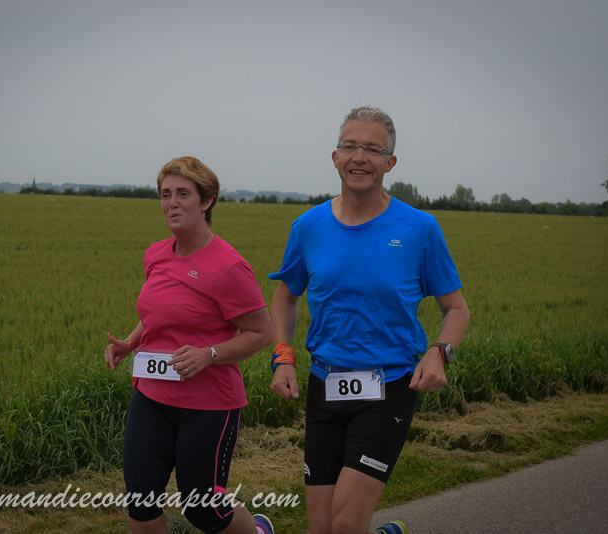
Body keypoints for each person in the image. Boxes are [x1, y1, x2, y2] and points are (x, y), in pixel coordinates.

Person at [268, 107, 470, 534]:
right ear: (335, 157)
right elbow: (285, 297)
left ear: (390, 162)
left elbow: (456, 308)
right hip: (324, 386)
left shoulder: (419, 228)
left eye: (373, 149)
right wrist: (283, 357)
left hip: (389, 389)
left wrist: (439, 353)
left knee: (345, 522)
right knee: (322, 529)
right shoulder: (308, 226)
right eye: (350, 146)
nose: (359, 157)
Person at [105, 156, 276, 534]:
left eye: (183, 194)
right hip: (152, 396)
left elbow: (261, 333)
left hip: (208, 406)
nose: (172, 203)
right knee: (140, 503)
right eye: (165, 194)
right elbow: (159, 314)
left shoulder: (229, 266)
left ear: (207, 201)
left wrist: (209, 355)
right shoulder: (156, 253)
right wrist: (130, 343)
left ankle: (258, 531)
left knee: (202, 509)